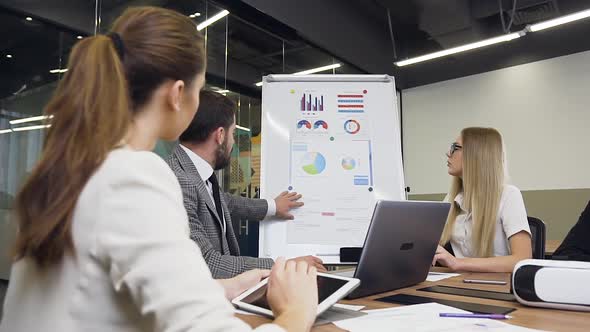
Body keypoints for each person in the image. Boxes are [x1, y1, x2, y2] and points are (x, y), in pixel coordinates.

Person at [0, 7, 317, 332]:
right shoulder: (133, 177)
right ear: (178, 94)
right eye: (200, 86)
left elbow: (114, 290)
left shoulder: (79, 169)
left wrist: (227, 288)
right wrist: (295, 313)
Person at [167, 90, 325, 278]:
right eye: (233, 133)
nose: (233, 141)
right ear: (220, 135)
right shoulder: (179, 182)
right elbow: (208, 263)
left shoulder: (193, 170)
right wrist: (284, 265)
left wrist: (273, 206)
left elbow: (223, 200)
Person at [433, 127, 532, 273]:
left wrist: (457, 263)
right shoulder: (451, 199)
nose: (448, 153)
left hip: (496, 287)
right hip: (460, 283)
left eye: (456, 147)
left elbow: (522, 260)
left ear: (477, 155)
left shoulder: (509, 195)